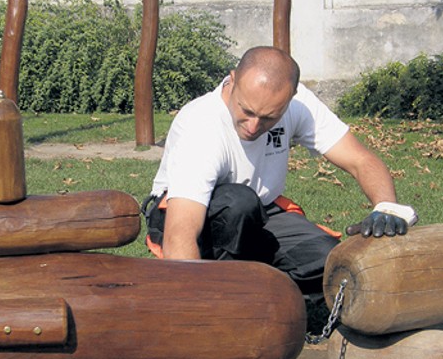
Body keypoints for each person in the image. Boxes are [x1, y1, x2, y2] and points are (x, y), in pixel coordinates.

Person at [142, 46, 417, 300]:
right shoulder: (200, 126)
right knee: (239, 203)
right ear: (233, 79)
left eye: (268, 118)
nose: (253, 126)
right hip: (186, 217)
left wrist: (387, 207)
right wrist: (194, 305)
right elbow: (180, 235)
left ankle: (257, 290)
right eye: (246, 111)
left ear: (290, 98)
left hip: (260, 214)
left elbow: (360, 159)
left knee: (329, 261)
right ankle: (221, 294)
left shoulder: (299, 106)